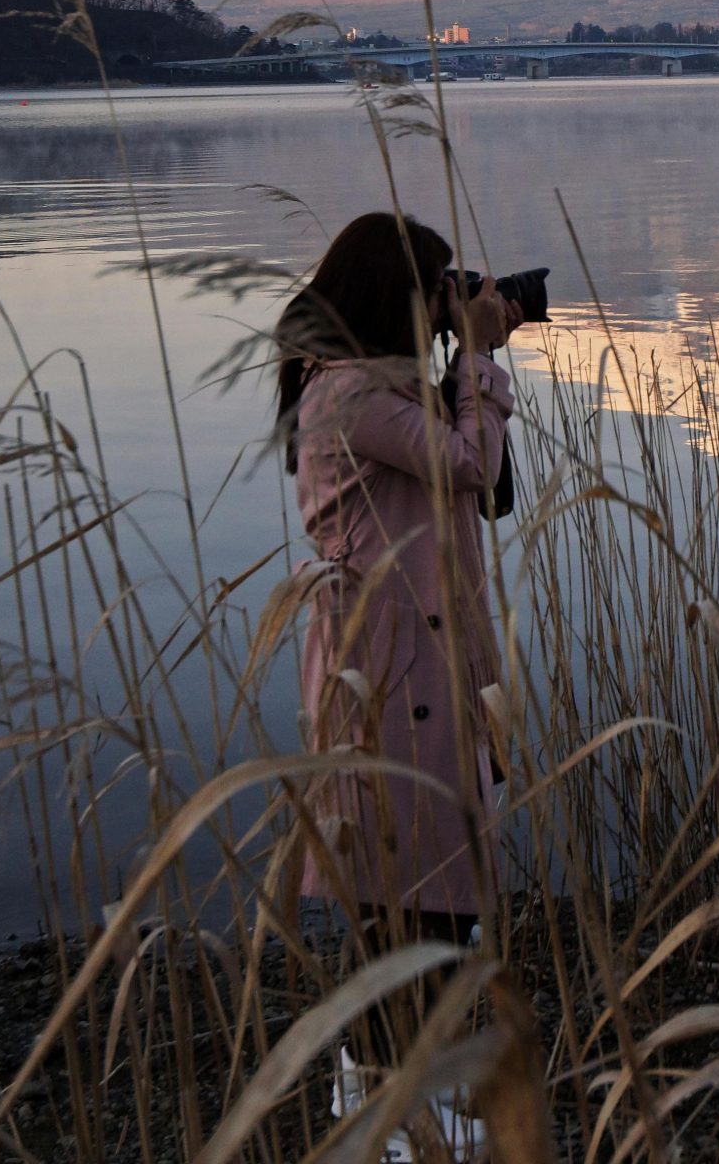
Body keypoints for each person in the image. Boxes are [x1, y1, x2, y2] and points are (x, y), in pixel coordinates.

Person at [275, 210, 525, 1155]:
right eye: (436, 289)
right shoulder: (347, 397)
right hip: (385, 672)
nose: (446, 305)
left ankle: (400, 1093)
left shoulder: (385, 390)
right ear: (396, 297)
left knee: (427, 890)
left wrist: (466, 364)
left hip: (420, 658)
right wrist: (481, 364)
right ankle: (378, 1111)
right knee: (405, 891)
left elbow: (481, 490)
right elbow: (469, 461)